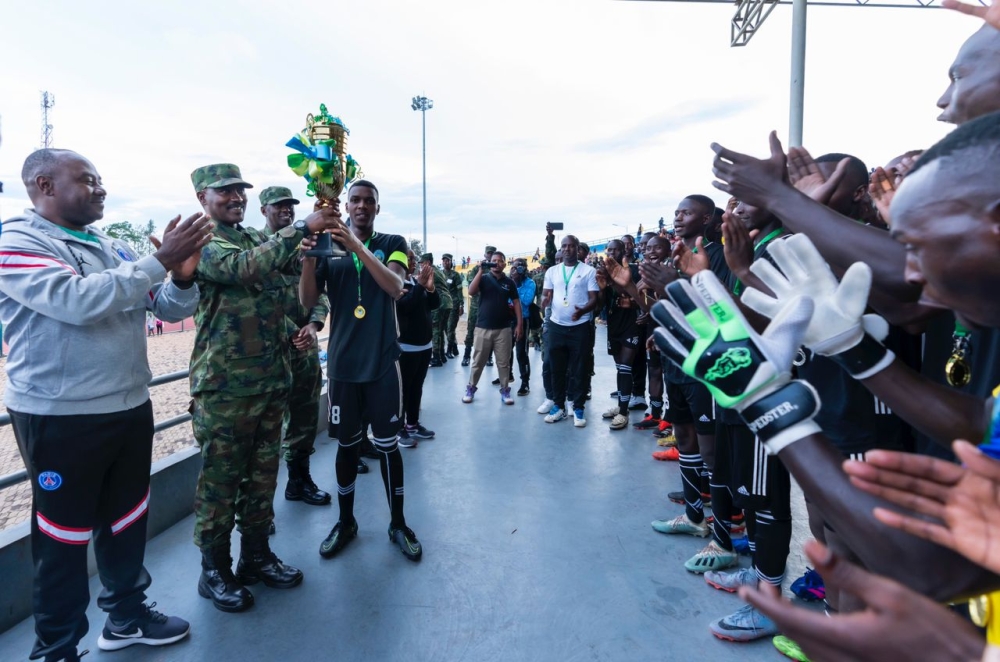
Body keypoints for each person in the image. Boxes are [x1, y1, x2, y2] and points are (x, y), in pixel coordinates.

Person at [0, 148, 211, 661]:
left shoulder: (109, 243)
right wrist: (156, 261)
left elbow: (164, 306)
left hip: (128, 405)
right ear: (44, 185)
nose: (100, 189)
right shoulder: (17, 240)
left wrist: (181, 276)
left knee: (126, 519)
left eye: (100, 181)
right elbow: (76, 301)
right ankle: (56, 647)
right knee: (62, 538)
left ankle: (126, 616)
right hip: (60, 416)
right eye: (87, 180)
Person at [190, 164, 331, 613]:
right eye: (224, 192)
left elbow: (287, 280)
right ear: (202, 198)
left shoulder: (255, 238)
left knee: (262, 478)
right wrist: (300, 229)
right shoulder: (205, 241)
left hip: (272, 381)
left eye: (239, 191)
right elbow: (244, 269)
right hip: (226, 389)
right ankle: (214, 570)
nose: (236, 197)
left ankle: (255, 556)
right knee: (220, 483)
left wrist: (317, 232)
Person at [299, 179, 423, 562]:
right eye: (355, 200)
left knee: (388, 449)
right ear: (346, 205)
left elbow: (395, 286)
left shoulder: (392, 243)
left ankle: (398, 523)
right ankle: (346, 522)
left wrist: (356, 245)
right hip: (342, 367)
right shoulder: (327, 247)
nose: (362, 206)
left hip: (383, 363)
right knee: (347, 447)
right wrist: (307, 258)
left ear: (377, 208)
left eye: (369, 201)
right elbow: (307, 301)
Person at [652, 195, 732, 539]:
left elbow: (720, 309)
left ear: (706, 218)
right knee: (684, 436)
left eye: (687, 212)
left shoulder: (716, 255)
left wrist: (672, 283)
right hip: (677, 359)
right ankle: (693, 514)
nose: (678, 217)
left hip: (704, 363)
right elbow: (671, 304)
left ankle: (727, 528)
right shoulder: (674, 255)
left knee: (710, 448)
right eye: (677, 212)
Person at [258, 185, 332, 506]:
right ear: (264, 210)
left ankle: (299, 481)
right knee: (267, 427)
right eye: (279, 206)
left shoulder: (306, 245)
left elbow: (320, 292)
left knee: (304, 417)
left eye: (290, 205)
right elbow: (258, 297)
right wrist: (292, 329)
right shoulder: (257, 246)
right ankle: (259, 506)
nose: (286, 210)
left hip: (305, 347)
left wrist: (313, 325)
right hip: (271, 351)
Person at [540, 235, 600, 427]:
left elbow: (594, 299)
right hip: (556, 326)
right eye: (564, 246)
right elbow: (545, 295)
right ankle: (559, 406)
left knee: (579, 369)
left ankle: (578, 407)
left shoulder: (589, 271)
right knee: (557, 369)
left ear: (577, 249)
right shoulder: (552, 271)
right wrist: (544, 302)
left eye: (571, 246)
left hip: (579, 327)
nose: (567, 249)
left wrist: (582, 310)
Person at [463, 250, 522, 405]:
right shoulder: (483, 278)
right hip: (483, 327)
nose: (496, 263)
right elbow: (471, 291)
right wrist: (481, 269)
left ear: (504, 263)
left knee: (503, 363)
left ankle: (505, 390)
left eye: (499, 261)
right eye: (493, 260)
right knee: (478, 361)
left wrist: (519, 325)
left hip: (503, 329)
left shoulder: (509, 283)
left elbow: (516, 303)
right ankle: (471, 387)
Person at [597, 240, 642, 431]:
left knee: (625, 367)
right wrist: (601, 288)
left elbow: (641, 296)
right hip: (613, 324)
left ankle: (623, 412)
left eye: (616, 249)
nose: (613, 252)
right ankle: (621, 406)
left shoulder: (634, 269)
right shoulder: (602, 270)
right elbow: (601, 305)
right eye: (610, 249)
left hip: (632, 324)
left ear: (624, 250)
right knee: (619, 367)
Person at [397, 252, 440, 445]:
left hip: (424, 346)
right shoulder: (395, 284)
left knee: (416, 389)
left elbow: (435, 304)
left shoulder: (417, 284)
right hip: (405, 348)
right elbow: (404, 308)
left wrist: (430, 289)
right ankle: (397, 429)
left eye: (414, 260)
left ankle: (412, 425)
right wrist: (421, 286)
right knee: (402, 390)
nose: (413, 263)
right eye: (409, 259)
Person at [461, 245, 496, 366]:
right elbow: (471, 285)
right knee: (470, 331)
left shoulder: (496, 270)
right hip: (476, 306)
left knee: (490, 332)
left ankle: (489, 357)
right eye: (488, 254)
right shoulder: (477, 269)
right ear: (485, 255)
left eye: (492, 253)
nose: (490, 256)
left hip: (490, 307)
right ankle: (466, 355)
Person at [509, 257, 535, 396]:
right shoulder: (510, 281)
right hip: (509, 320)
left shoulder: (530, 283)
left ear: (525, 269)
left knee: (521, 353)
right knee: (506, 350)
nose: (517, 270)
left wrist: (515, 286)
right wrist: (512, 282)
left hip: (523, 321)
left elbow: (526, 301)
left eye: (520, 267)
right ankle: (508, 375)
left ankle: (525, 382)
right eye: (514, 267)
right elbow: (505, 299)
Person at [426, 252, 453, 367]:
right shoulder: (438, 271)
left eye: (422, 263)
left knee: (436, 329)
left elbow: (424, 285)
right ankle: (442, 355)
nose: (421, 266)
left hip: (440, 302)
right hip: (447, 302)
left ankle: (436, 357)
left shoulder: (430, 271)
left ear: (427, 262)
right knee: (441, 329)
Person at [442, 253, 464, 358]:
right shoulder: (440, 274)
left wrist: (461, 305)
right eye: (444, 260)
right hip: (443, 305)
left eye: (447, 260)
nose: (445, 262)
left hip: (454, 305)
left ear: (451, 262)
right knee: (446, 328)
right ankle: (455, 348)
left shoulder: (455, 275)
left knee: (450, 328)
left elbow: (460, 291)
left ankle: (449, 350)